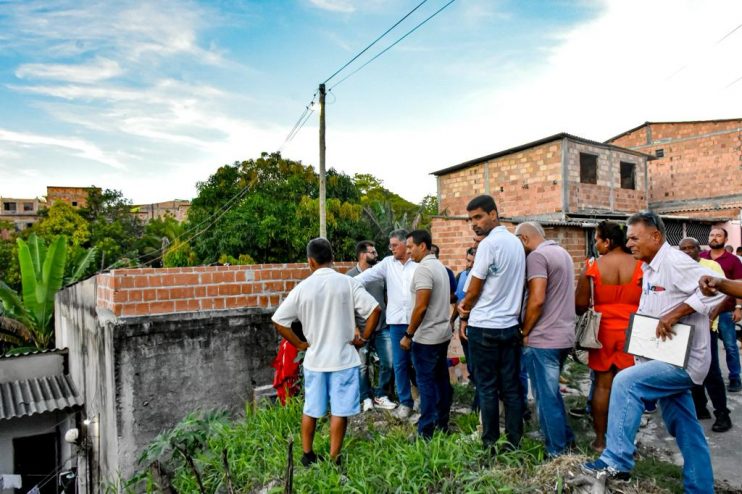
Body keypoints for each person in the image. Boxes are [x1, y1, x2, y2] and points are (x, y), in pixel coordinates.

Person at [582, 212, 724, 493]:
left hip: (683, 361)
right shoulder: (648, 267)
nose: (629, 243)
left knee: (626, 382)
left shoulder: (675, 262)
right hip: (663, 356)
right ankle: (701, 488)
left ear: (656, 236)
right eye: (628, 237)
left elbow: (717, 292)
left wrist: (676, 313)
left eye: (635, 237)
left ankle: (617, 460)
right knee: (686, 427)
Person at [272, 238, 381, 466]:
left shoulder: (302, 288)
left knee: (311, 408)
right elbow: (374, 309)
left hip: (315, 361)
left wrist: (300, 344)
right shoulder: (347, 283)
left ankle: (307, 454)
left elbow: (279, 321)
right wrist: (363, 338)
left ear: (310, 261)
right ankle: (334, 458)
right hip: (344, 359)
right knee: (340, 411)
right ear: (332, 258)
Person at [458, 195, 526, 453]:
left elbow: (473, 290)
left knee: (487, 388)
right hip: (509, 326)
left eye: (478, 217)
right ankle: (513, 441)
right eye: (470, 219)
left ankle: (489, 443)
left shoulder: (488, 245)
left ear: (494, 214)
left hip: (485, 326)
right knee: (510, 387)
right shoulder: (516, 243)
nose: (474, 224)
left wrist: (463, 312)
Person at [575, 220, 642, 452]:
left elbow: (580, 305)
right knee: (629, 388)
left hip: (601, 331)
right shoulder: (641, 264)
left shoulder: (592, 266)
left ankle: (601, 441)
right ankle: (625, 442)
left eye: (597, 239)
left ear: (608, 241)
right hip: (634, 331)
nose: (596, 244)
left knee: (603, 386)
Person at [515, 222, 576, 457]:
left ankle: (556, 451)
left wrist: (525, 331)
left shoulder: (537, 257)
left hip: (543, 338)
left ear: (524, 239)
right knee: (551, 394)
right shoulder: (562, 253)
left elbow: (537, 299)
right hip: (562, 336)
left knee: (545, 396)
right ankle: (563, 437)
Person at [354, 229, 418, 419]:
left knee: (418, 363)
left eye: (394, 245)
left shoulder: (418, 265)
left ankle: (422, 399)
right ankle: (406, 402)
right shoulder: (387, 265)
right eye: (390, 245)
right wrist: (342, 283)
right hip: (396, 323)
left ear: (406, 244)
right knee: (398, 364)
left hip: (417, 322)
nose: (391, 249)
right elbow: (363, 278)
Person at [399, 230, 453, 438]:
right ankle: (442, 423)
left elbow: (421, 306)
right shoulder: (439, 266)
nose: (409, 251)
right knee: (441, 380)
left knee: (426, 383)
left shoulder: (423, 270)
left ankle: (426, 430)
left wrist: (408, 334)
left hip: (427, 337)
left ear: (422, 246)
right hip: (442, 333)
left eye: (411, 246)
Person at [679, 237, 732, 432]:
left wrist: (711, 318)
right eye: (683, 248)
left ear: (698, 249)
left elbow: (724, 293)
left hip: (707, 327)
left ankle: (722, 413)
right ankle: (700, 407)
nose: (687, 251)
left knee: (711, 372)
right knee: (690, 369)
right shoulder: (679, 269)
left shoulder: (711, 266)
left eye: (691, 248)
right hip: (684, 328)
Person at [346, 240, 396, 412]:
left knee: (388, 362)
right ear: (362, 255)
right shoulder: (350, 276)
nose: (376, 255)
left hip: (382, 327)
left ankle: (381, 395)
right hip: (361, 328)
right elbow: (346, 306)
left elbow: (386, 298)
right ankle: (365, 398)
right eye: (372, 253)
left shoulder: (380, 274)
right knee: (362, 366)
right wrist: (354, 328)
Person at [700, 228, 742, 392]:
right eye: (711, 235)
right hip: (705, 311)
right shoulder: (701, 257)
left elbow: (739, 284)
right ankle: (706, 379)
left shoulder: (733, 260)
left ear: (725, 239)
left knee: (730, 345)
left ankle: (734, 377)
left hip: (726, 310)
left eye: (718, 235)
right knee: (706, 347)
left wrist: (738, 308)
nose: (714, 238)